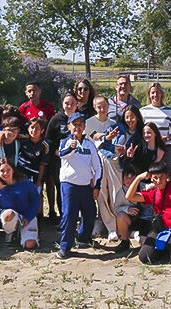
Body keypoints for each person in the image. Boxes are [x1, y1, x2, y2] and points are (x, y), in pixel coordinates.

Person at [56, 112, 103, 259]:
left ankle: (83, 237)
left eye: (80, 124)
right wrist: (72, 147)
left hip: (85, 185)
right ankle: (65, 246)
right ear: (69, 126)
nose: (77, 127)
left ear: (84, 126)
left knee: (90, 213)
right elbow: (62, 154)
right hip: (69, 185)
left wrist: (96, 186)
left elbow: (98, 166)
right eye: (74, 124)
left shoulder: (89, 144)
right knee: (70, 215)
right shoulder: (65, 141)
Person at [0, 157, 41, 250]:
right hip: (12, 217)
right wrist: (2, 189)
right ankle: (10, 233)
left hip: (27, 215)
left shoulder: (25, 182)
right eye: (2, 171)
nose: (5, 173)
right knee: (9, 214)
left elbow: (36, 200)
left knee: (30, 245)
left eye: (8, 170)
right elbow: (8, 206)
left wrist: (28, 217)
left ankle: (24, 234)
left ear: (13, 170)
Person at [85, 95, 119, 239]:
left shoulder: (113, 123)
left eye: (104, 106)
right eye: (99, 106)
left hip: (111, 162)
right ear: (94, 107)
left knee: (113, 192)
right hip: (94, 162)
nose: (102, 109)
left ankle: (114, 226)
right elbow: (88, 141)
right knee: (100, 193)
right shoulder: (88, 123)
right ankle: (102, 224)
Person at [44, 91, 79, 222]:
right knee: (62, 189)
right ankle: (63, 218)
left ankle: (75, 217)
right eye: (66, 103)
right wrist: (55, 151)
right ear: (62, 104)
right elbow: (48, 139)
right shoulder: (56, 119)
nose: (69, 106)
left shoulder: (80, 119)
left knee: (75, 190)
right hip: (60, 161)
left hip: (77, 160)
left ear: (77, 104)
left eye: (72, 104)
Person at [114, 166, 153, 253]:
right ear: (122, 179)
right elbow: (116, 208)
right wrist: (127, 209)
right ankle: (125, 241)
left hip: (145, 220)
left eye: (132, 178)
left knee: (145, 246)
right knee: (120, 216)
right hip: (131, 219)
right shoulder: (121, 193)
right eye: (127, 177)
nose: (129, 180)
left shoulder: (142, 187)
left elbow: (151, 186)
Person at [140, 83, 171, 163]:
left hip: (165, 147)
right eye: (152, 93)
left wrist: (167, 138)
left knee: (165, 174)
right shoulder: (143, 111)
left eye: (157, 92)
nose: (155, 95)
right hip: (149, 148)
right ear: (149, 95)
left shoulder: (169, 111)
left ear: (161, 94)